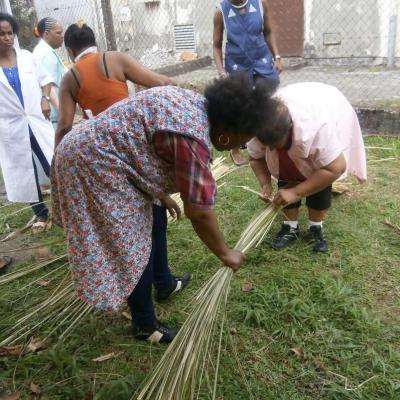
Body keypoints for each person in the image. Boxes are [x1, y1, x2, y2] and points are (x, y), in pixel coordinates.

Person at [51, 74, 271, 343]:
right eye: (243, 139)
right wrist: (225, 253)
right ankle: (145, 324)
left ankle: (164, 283)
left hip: (103, 155)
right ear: (227, 135)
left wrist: (159, 191)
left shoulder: (197, 106)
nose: (241, 145)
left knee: (156, 217)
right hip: (90, 163)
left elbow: (147, 147)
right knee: (133, 245)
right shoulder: (191, 138)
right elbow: (199, 210)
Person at [248, 82, 367, 253]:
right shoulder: (259, 125)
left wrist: (296, 192)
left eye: (275, 144)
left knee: (319, 187)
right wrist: (265, 183)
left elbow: (334, 168)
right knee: (285, 185)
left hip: (327, 105)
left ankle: (315, 227)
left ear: (289, 128)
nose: (272, 149)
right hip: (294, 118)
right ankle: (290, 227)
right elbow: (255, 158)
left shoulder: (316, 128)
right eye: (267, 145)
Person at [55, 22, 177, 148]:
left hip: (101, 146)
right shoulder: (117, 59)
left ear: (70, 51)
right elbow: (163, 82)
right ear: (95, 44)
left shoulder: (69, 79)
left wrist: (55, 160)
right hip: (133, 136)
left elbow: (64, 127)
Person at [0, 13, 54, 232]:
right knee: (26, 170)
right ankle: (40, 214)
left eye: (9, 33)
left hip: (36, 120)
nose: (7, 37)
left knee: (53, 163)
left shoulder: (27, 57)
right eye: (1, 34)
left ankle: (66, 205)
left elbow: (46, 80)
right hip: (11, 128)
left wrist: (45, 98)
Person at [213, 0, 282, 166]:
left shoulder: (260, 3)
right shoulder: (220, 11)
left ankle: (268, 140)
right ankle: (235, 147)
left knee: (269, 100)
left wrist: (277, 57)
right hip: (237, 63)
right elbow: (216, 45)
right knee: (238, 106)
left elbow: (268, 31)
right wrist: (222, 71)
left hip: (261, 60)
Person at [32, 17, 68, 128]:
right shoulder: (45, 55)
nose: (62, 36)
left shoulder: (45, 51)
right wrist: (63, 115)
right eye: (58, 33)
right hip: (55, 119)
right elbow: (48, 86)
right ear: (47, 33)